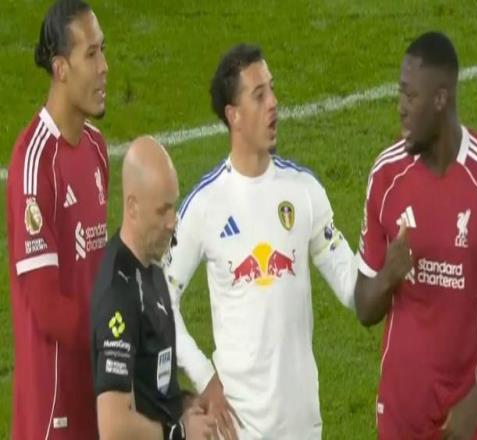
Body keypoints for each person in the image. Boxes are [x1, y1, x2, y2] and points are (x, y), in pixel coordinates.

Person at [164, 44, 358, 439]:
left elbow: (353, 287)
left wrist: (388, 265)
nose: (273, 103)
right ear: (233, 115)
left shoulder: (304, 191)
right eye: (259, 95)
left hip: (302, 426)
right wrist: (204, 377)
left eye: (272, 89)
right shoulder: (204, 206)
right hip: (241, 428)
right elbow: (161, 298)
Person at [355, 31, 477, 440]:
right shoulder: (386, 175)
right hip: (398, 418)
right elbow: (364, 308)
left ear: (441, 99)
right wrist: (388, 276)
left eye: (410, 95)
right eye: (399, 93)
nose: (400, 108)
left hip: (463, 423)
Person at [6, 0, 108, 438]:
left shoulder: (96, 148)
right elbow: (48, 307)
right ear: (61, 68)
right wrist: (115, 336)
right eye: (91, 54)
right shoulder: (34, 163)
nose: (104, 67)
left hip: (97, 395)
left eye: (103, 50)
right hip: (54, 410)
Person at [91, 136, 215, 439]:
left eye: (174, 206)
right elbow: (113, 425)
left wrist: (187, 404)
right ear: (132, 207)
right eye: (163, 211)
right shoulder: (119, 293)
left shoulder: (151, 267)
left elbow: (153, 386)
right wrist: (179, 432)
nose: (173, 222)